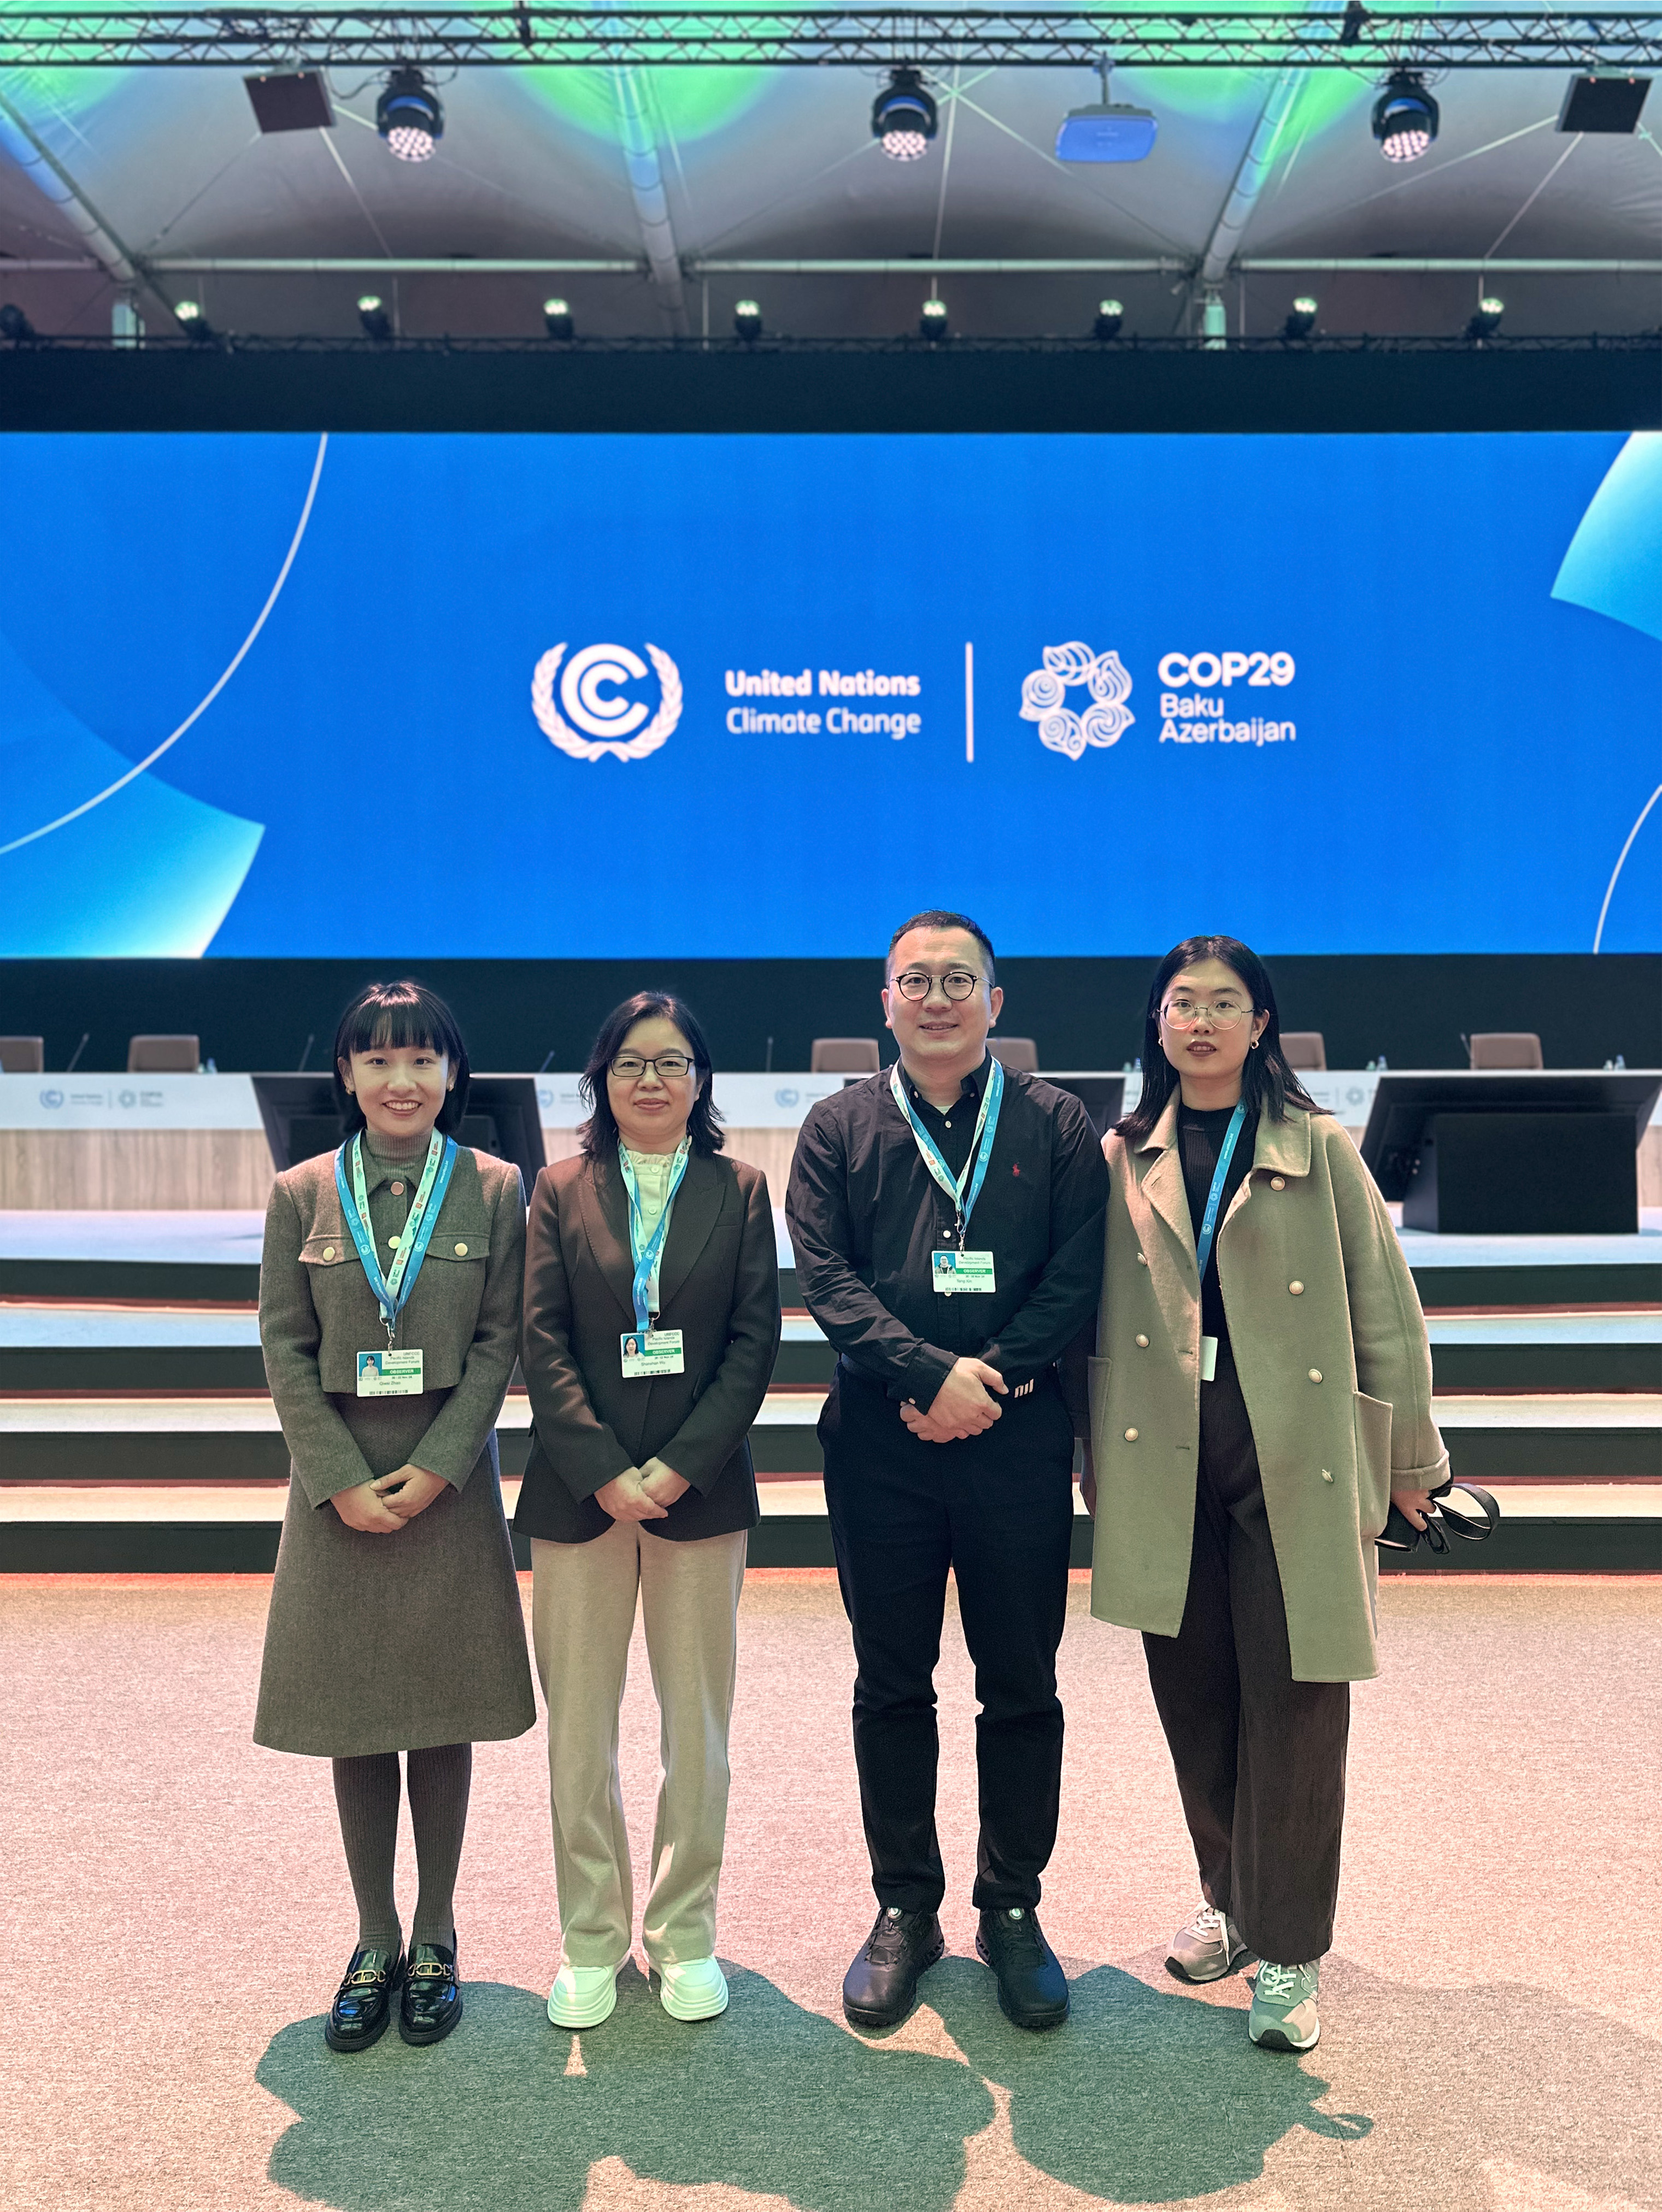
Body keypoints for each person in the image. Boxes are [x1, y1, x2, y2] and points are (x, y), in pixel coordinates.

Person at [1082, 936, 1446, 2053]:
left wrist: (1413, 1463)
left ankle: (1287, 1948)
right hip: (1162, 1455)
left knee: (1295, 1704)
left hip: (1291, 1448)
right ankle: (1230, 1896)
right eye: (1181, 1002)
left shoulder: (1315, 1145)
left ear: (1260, 1023)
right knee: (1194, 1696)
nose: (1200, 1021)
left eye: (1223, 1003)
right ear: (1156, 1022)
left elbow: (1385, 1308)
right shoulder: (1119, 1153)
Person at [786, 911, 1109, 2034]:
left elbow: (1077, 1271)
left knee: (1021, 1681)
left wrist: (992, 1378)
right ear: (885, 1001)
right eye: (915, 980)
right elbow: (825, 1277)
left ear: (995, 1002)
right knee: (892, 1681)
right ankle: (905, 1907)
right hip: (880, 1442)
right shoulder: (837, 1125)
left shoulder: (1055, 1121)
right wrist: (928, 1375)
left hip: (1017, 1438)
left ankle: (1010, 1905)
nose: (937, 998)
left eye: (958, 979)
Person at [254, 979, 534, 2054]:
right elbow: (284, 1346)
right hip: (335, 1488)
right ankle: (374, 1936)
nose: (400, 1079)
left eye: (421, 1059)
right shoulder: (300, 1193)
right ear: (347, 1074)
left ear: (453, 1073)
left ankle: (435, 1934)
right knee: (355, 1709)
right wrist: (337, 1477)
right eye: (377, 1060)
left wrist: (439, 1467)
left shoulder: (496, 1188)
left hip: (446, 1486)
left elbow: (500, 1342)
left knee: (440, 1705)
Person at [517, 992, 780, 2031]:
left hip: (699, 1494)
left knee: (697, 1732)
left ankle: (683, 1934)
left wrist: (676, 1467)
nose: (651, 1081)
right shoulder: (558, 1189)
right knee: (578, 1737)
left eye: (672, 1063)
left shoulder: (741, 1188)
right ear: (602, 1079)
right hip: (577, 1496)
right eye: (630, 1063)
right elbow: (541, 1342)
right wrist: (602, 1469)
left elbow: (753, 1345)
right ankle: (590, 1938)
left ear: (700, 1078)